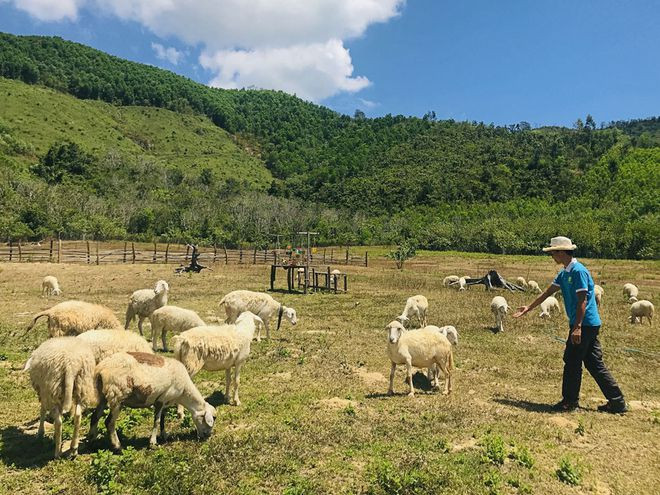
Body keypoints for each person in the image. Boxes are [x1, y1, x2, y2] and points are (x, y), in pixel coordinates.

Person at [513, 236, 627, 413]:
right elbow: (547, 292)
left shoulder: (578, 271)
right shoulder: (565, 272)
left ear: (561, 252)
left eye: (553, 253)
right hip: (585, 323)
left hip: (585, 323)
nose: (552, 256)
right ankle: (617, 401)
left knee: (572, 361)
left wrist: (577, 327)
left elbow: (583, 300)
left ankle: (569, 401)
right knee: (594, 363)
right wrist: (528, 307)